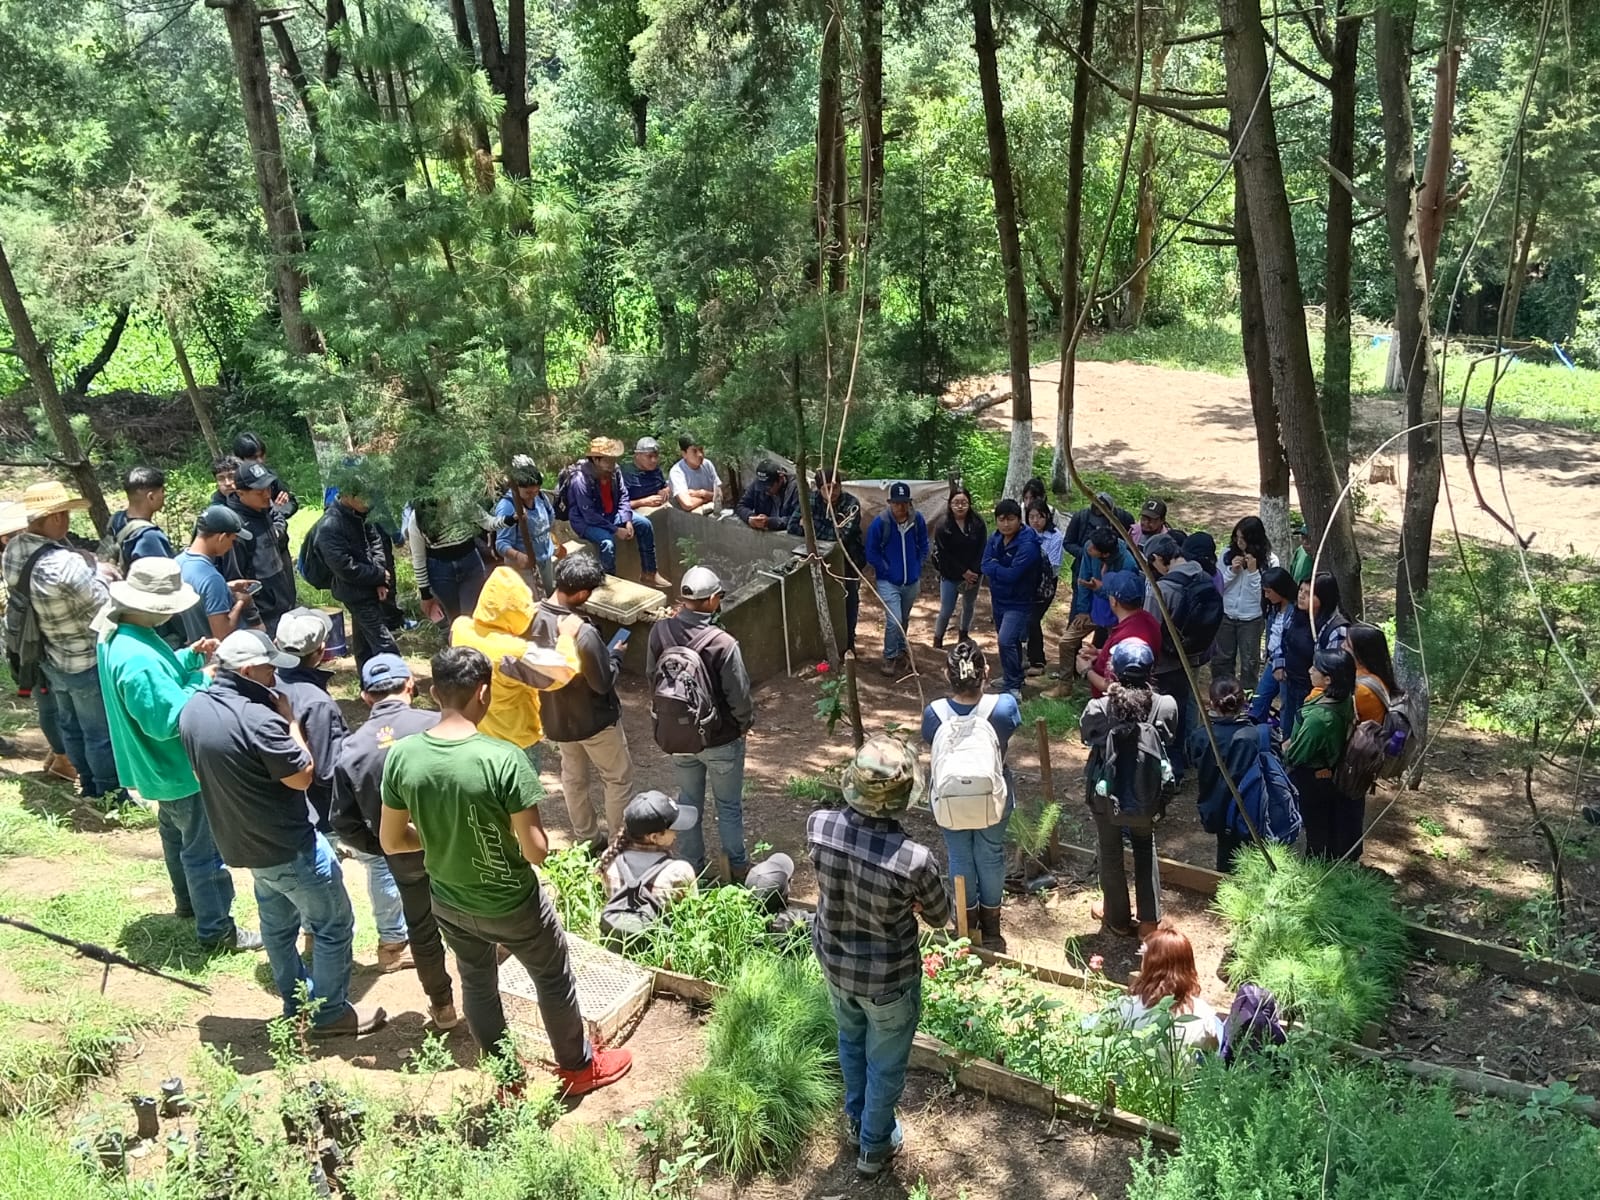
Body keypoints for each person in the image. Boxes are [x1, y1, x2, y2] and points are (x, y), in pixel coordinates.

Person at [380, 645, 631, 1095]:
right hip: (512, 902)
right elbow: (535, 852)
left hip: (449, 901)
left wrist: (441, 839)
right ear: (484, 693)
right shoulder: (503, 759)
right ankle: (577, 1068)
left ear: (434, 692)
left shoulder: (403, 756)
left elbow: (393, 840)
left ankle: (504, 1078)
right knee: (551, 978)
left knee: (477, 981)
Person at [180, 629, 383, 1037]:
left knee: (277, 927)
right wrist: (290, 721)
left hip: (242, 841)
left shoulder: (194, 708)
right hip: (290, 844)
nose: (276, 675)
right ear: (249, 670)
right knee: (333, 924)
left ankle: (297, 1002)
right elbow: (302, 776)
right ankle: (329, 1016)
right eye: (270, 668)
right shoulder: (259, 719)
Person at [96, 558, 260, 950]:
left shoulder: (121, 634)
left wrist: (188, 657)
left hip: (155, 767)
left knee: (175, 836)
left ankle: (188, 903)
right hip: (177, 767)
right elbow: (166, 719)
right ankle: (217, 930)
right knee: (204, 850)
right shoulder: (138, 660)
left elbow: (160, 681)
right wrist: (204, 681)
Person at [808, 735, 950, 1178]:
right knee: (886, 1062)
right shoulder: (914, 860)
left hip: (835, 961)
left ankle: (856, 1123)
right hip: (888, 978)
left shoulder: (819, 825)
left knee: (850, 1041)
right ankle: (873, 1146)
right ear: (903, 798)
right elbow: (941, 916)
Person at [331, 653, 458, 1028]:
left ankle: (443, 1006)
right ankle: (487, 997)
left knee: (420, 926)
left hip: (401, 855)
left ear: (365, 696)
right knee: (470, 917)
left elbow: (343, 820)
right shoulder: (436, 725)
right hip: (452, 843)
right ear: (410, 687)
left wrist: (383, 845)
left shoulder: (352, 748)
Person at [3, 481, 123, 802]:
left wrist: (82, 560)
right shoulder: (67, 566)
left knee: (70, 725)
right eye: (66, 514)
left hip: (49, 655)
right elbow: (105, 602)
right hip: (83, 657)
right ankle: (107, 791)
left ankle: (86, 782)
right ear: (55, 517)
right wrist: (99, 569)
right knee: (98, 732)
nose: (68, 520)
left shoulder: (15, 550)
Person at [646, 567, 754, 879]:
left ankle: (692, 867)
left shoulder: (660, 632)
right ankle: (736, 867)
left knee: (688, 803)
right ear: (711, 601)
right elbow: (740, 697)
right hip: (721, 740)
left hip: (678, 735)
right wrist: (744, 724)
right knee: (728, 807)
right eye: (719, 596)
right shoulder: (723, 643)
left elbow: (652, 677)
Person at [524, 554, 635, 851]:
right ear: (583, 594)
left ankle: (586, 839)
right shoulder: (583, 632)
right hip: (596, 721)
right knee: (618, 780)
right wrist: (616, 656)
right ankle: (617, 844)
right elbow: (601, 682)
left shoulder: (531, 617)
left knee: (573, 780)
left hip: (557, 719)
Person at [920, 642, 1019, 952]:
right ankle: (992, 926)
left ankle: (966, 921)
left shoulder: (935, 713)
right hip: (994, 796)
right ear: (985, 672)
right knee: (991, 854)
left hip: (951, 798)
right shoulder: (1003, 707)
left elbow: (930, 743)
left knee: (959, 854)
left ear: (946, 674)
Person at [1080, 638, 1176, 937]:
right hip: (1147, 791)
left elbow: (1087, 735)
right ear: (1151, 670)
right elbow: (1169, 739)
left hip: (1105, 791)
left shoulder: (1098, 707)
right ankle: (1149, 922)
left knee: (1109, 849)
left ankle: (1117, 916)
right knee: (1145, 847)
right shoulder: (1165, 705)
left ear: (1113, 670)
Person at [451, 566, 548, 780]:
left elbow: (499, 615)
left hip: (478, 734)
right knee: (521, 806)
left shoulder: (460, 628)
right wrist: (568, 638)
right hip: (517, 741)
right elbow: (560, 675)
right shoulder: (514, 651)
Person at [0, 500, 72, 783]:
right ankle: (63, 757)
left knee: (48, 698)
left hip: (28, 638)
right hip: (36, 638)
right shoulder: (20, 555)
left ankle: (59, 754)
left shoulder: (12, 554)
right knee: (51, 699)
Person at [1142, 532, 1222, 783]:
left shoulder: (1162, 590)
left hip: (1166, 664)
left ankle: (1168, 772)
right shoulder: (1202, 575)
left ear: (1157, 558)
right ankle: (1186, 759)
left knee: (1163, 718)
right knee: (1184, 710)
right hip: (1193, 656)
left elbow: (1150, 631)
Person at [1096, 922, 1222, 1053]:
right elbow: (1213, 1050)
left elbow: (1097, 1033)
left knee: (1092, 1020)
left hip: (1133, 1070)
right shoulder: (1202, 1012)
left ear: (1149, 965)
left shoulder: (1124, 1006)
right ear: (1188, 966)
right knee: (1217, 1024)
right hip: (1179, 1072)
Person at [1286, 646, 1359, 861]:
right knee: (1323, 821)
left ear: (1328, 679)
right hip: (1327, 773)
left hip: (1313, 777)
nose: (1309, 670)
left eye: (1315, 668)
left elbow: (1297, 756)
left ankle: (1315, 864)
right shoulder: (1343, 698)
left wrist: (1284, 748)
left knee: (1315, 823)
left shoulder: (1319, 719)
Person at [315, 481, 398, 666]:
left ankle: (366, 687)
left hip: (369, 583)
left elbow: (375, 540)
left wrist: (379, 578)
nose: (369, 502)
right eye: (364, 498)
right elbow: (345, 568)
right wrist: (378, 575)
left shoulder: (359, 513)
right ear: (348, 496)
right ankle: (401, 686)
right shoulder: (329, 526)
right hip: (354, 592)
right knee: (384, 643)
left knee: (364, 645)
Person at [568, 436, 666, 589]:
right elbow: (589, 515)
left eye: (613, 459)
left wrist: (627, 520)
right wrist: (615, 530)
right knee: (607, 543)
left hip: (611, 513)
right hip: (587, 522)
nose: (612, 464)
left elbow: (623, 496)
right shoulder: (580, 480)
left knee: (645, 524)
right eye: (607, 460)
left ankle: (650, 572)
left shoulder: (615, 471)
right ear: (596, 459)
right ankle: (608, 582)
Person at [1188, 677, 1262, 873]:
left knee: (1226, 851)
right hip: (1249, 805)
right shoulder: (1254, 734)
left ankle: (1225, 889)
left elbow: (1192, 758)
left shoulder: (1203, 735)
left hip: (1217, 803)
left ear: (1212, 703)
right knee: (1250, 850)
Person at [789, 468, 864, 653]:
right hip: (818, 561)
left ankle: (849, 642)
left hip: (848, 561)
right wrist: (826, 528)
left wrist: (811, 526)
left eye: (835, 486)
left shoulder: (851, 504)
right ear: (819, 488)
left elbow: (841, 537)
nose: (832, 492)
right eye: (827, 488)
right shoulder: (810, 500)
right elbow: (793, 527)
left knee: (849, 601)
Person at [596, 790, 700, 921]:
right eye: (673, 829)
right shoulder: (679, 871)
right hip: (661, 938)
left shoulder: (610, 858)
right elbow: (693, 915)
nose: (677, 833)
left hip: (617, 933)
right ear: (654, 837)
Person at [864, 481, 931, 677]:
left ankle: (902, 649)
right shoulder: (881, 523)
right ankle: (889, 655)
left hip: (911, 580)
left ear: (909, 503)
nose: (900, 507)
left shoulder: (916, 520)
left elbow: (923, 543)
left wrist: (917, 564)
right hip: (888, 581)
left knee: (904, 618)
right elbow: (871, 551)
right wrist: (885, 569)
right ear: (890, 503)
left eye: (904, 503)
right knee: (894, 620)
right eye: (896, 503)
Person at [224, 461, 296, 634]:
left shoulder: (263, 508)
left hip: (282, 601)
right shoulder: (237, 529)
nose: (267, 495)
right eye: (259, 491)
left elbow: (278, 516)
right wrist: (254, 619)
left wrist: (277, 531)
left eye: (268, 488)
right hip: (264, 615)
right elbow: (237, 581)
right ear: (241, 493)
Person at [980, 498, 1041, 699]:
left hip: (1020, 601)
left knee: (1005, 639)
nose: (1006, 524)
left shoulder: (1028, 543)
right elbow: (984, 564)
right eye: (1001, 519)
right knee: (1010, 642)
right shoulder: (995, 538)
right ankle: (1011, 677)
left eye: (1011, 519)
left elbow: (1013, 574)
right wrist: (999, 568)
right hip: (999, 599)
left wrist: (996, 567)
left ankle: (1013, 687)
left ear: (1019, 519)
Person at [176, 506, 258, 640]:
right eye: (232, 540)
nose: (231, 546)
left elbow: (198, 593)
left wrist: (226, 587)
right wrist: (241, 602)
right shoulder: (212, 579)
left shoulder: (178, 563)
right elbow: (222, 634)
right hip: (216, 655)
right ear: (222, 537)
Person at [1213, 516, 1276, 684]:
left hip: (1252, 619)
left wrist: (1253, 572)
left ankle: (1248, 702)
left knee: (1249, 663)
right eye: (1237, 537)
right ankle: (1222, 698)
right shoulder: (1226, 554)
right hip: (1226, 614)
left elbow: (1263, 596)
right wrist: (1232, 571)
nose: (1239, 542)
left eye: (1243, 539)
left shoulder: (1270, 560)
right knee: (1222, 660)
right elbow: (1218, 586)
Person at [408, 496, 489, 625]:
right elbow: (418, 559)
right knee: (455, 620)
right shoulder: (417, 518)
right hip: (440, 572)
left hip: (470, 563)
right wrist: (425, 594)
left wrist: (509, 519)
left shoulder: (462, 502)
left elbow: (488, 522)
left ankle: (473, 643)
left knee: (472, 616)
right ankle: (458, 643)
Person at [1081, 570, 1161, 699]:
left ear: (1114, 601)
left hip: (1115, 706)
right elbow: (1132, 657)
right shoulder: (1149, 620)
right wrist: (1100, 653)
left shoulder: (1125, 637)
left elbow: (1112, 686)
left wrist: (1086, 670)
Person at [494, 457, 562, 596]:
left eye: (535, 492)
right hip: (523, 568)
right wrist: (518, 556)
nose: (532, 496)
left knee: (549, 596)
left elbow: (550, 518)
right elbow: (501, 543)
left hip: (545, 560)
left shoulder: (541, 497)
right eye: (528, 493)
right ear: (516, 487)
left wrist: (552, 542)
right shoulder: (507, 507)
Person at [931, 487, 985, 651]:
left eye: (964, 502)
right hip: (950, 573)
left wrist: (974, 571)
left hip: (974, 572)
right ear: (950, 504)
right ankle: (938, 638)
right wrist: (963, 571)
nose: (960, 506)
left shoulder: (977, 523)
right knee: (947, 608)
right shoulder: (942, 525)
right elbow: (944, 554)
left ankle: (963, 634)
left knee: (969, 605)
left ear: (969, 504)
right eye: (956, 503)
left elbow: (982, 548)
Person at [1247, 567, 1297, 725]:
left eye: (1269, 592)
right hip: (1272, 661)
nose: (1266, 596)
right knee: (1259, 701)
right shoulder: (1273, 608)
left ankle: (1284, 739)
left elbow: (1291, 643)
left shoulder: (1295, 612)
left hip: (1288, 666)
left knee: (1287, 706)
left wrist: (1281, 664)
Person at [1025, 500, 1065, 678]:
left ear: (1046, 517)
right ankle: (1025, 655)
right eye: (1031, 517)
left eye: (1039, 517)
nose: (1035, 521)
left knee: (1033, 620)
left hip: (1046, 584)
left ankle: (1038, 661)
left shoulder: (1056, 537)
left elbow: (1054, 566)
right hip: (1027, 582)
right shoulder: (1025, 533)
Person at [106, 466, 175, 568]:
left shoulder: (116, 519)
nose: (164, 495)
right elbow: (162, 576)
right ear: (151, 497)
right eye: (162, 491)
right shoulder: (149, 536)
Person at [1277, 578, 1316, 739]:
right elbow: (1283, 638)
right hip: (1289, 678)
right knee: (1287, 716)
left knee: (1301, 724)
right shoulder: (1294, 614)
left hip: (1309, 686)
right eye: (1301, 591)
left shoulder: (1321, 625)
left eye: (1308, 593)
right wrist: (1279, 664)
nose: (1301, 596)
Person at [1061, 491, 1135, 574]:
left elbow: (1131, 545)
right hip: (1083, 567)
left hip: (1115, 569)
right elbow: (1068, 542)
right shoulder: (1081, 518)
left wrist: (1110, 554)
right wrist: (1086, 554)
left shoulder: (1124, 519)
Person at [1347, 623, 1401, 725]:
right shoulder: (1378, 675)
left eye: (1347, 644)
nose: (1342, 646)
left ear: (1360, 652)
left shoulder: (1361, 690)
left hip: (1363, 739)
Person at [735, 458, 800, 532]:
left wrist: (770, 522)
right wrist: (750, 517)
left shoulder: (796, 488)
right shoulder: (757, 483)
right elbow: (741, 506)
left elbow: (797, 520)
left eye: (769, 487)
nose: (765, 491)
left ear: (781, 478)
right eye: (761, 487)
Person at [669, 434, 721, 513]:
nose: (700, 454)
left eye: (701, 449)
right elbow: (687, 504)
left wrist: (702, 493)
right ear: (684, 454)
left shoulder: (707, 464)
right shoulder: (677, 472)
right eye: (694, 451)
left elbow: (720, 496)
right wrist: (708, 497)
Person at [621, 437, 672, 514]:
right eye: (649, 456)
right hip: (635, 516)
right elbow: (619, 505)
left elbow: (667, 486)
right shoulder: (626, 473)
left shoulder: (656, 470)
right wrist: (643, 502)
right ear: (637, 455)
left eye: (656, 456)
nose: (654, 460)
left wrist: (664, 491)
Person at [1309, 571, 1351, 655]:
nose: (1302, 596)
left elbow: (1332, 665)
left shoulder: (1338, 630)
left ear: (1324, 597)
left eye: (1310, 594)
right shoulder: (1311, 619)